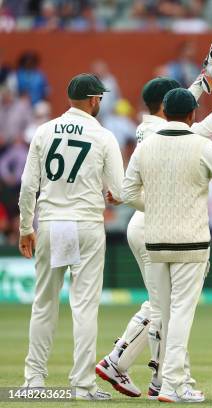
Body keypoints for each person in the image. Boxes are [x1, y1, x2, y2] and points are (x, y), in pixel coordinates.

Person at [96, 46, 212, 399]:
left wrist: (209, 70)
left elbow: (188, 100)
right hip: (176, 231)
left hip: (151, 228)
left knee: (161, 308)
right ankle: (157, 375)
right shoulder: (189, 136)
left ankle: (153, 375)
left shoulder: (148, 130)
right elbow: (208, 117)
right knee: (169, 310)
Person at [18, 73, 124, 400]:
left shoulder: (44, 131)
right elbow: (119, 191)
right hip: (87, 225)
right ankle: (82, 385)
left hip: (51, 223)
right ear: (93, 100)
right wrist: (114, 196)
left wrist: (25, 228)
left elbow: (27, 187)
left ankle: (34, 381)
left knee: (44, 305)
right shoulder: (103, 136)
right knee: (85, 307)